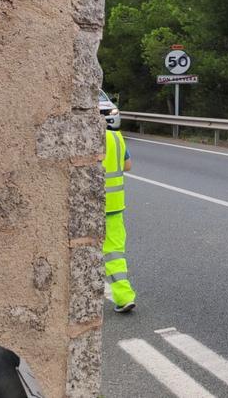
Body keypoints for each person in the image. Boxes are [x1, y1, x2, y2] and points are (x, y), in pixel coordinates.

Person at [102, 122, 136, 313]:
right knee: (114, 253)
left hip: (85, 205)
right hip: (114, 205)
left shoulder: (82, 133)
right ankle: (124, 297)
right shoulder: (116, 136)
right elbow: (127, 165)